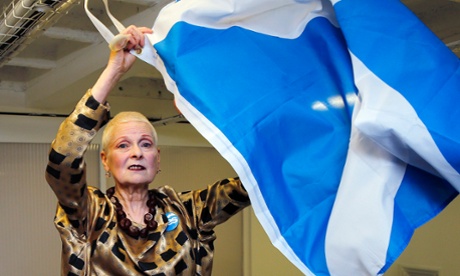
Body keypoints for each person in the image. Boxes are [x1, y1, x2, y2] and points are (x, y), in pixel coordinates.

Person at [45, 25, 250, 275]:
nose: (137, 153)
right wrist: (115, 70)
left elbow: (256, 180)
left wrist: (207, 112)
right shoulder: (88, 213)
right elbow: (62, 160)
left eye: (146, 144)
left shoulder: (189, 211)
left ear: (157, 158)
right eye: (123, 145)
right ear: (105, 161)